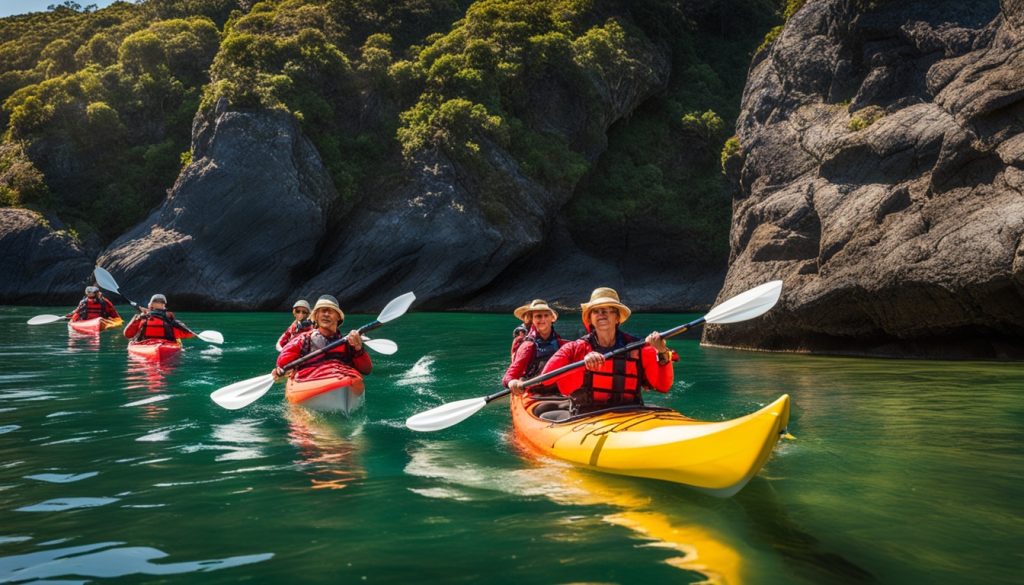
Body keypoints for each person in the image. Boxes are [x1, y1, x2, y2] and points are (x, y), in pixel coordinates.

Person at [536, 287, 677, 415]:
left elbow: (663, 386)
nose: (601, 314)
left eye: (607, 310)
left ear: (617, 318)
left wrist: (662, 351)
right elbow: (546, 379)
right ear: (590, 319)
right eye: (596, 311)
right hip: (586, 415)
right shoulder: (574, 348)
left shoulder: (638, 347)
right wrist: (582, 364)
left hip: (630, 412)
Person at [273, 295, 371, 382]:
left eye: (331, 311)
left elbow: (366, 370)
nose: (326, 314)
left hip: (342, 379)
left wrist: (359, 348)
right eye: (323, 311)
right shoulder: (302, 341)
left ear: (338, 317)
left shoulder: (349, 343)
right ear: (316, 317)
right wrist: (279, 371)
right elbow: (281, 365)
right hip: (310, 382)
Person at [504, 299, 568, 396]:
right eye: (538, 316)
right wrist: (512, 382)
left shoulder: (560, 343)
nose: (543, 319)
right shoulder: (528, 346)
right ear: (532, 319)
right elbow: (509, 376)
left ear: (552, 318)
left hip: (557, 388)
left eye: (546, 315)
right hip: (533, 390)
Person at [123, 294, 195, 341]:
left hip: (144, 346)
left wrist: (137, 317)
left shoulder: (142, 318)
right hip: (166, 347)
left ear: (150, 306)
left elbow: (128, 334)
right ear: (164, 307)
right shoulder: (169, 319)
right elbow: (188, 334)